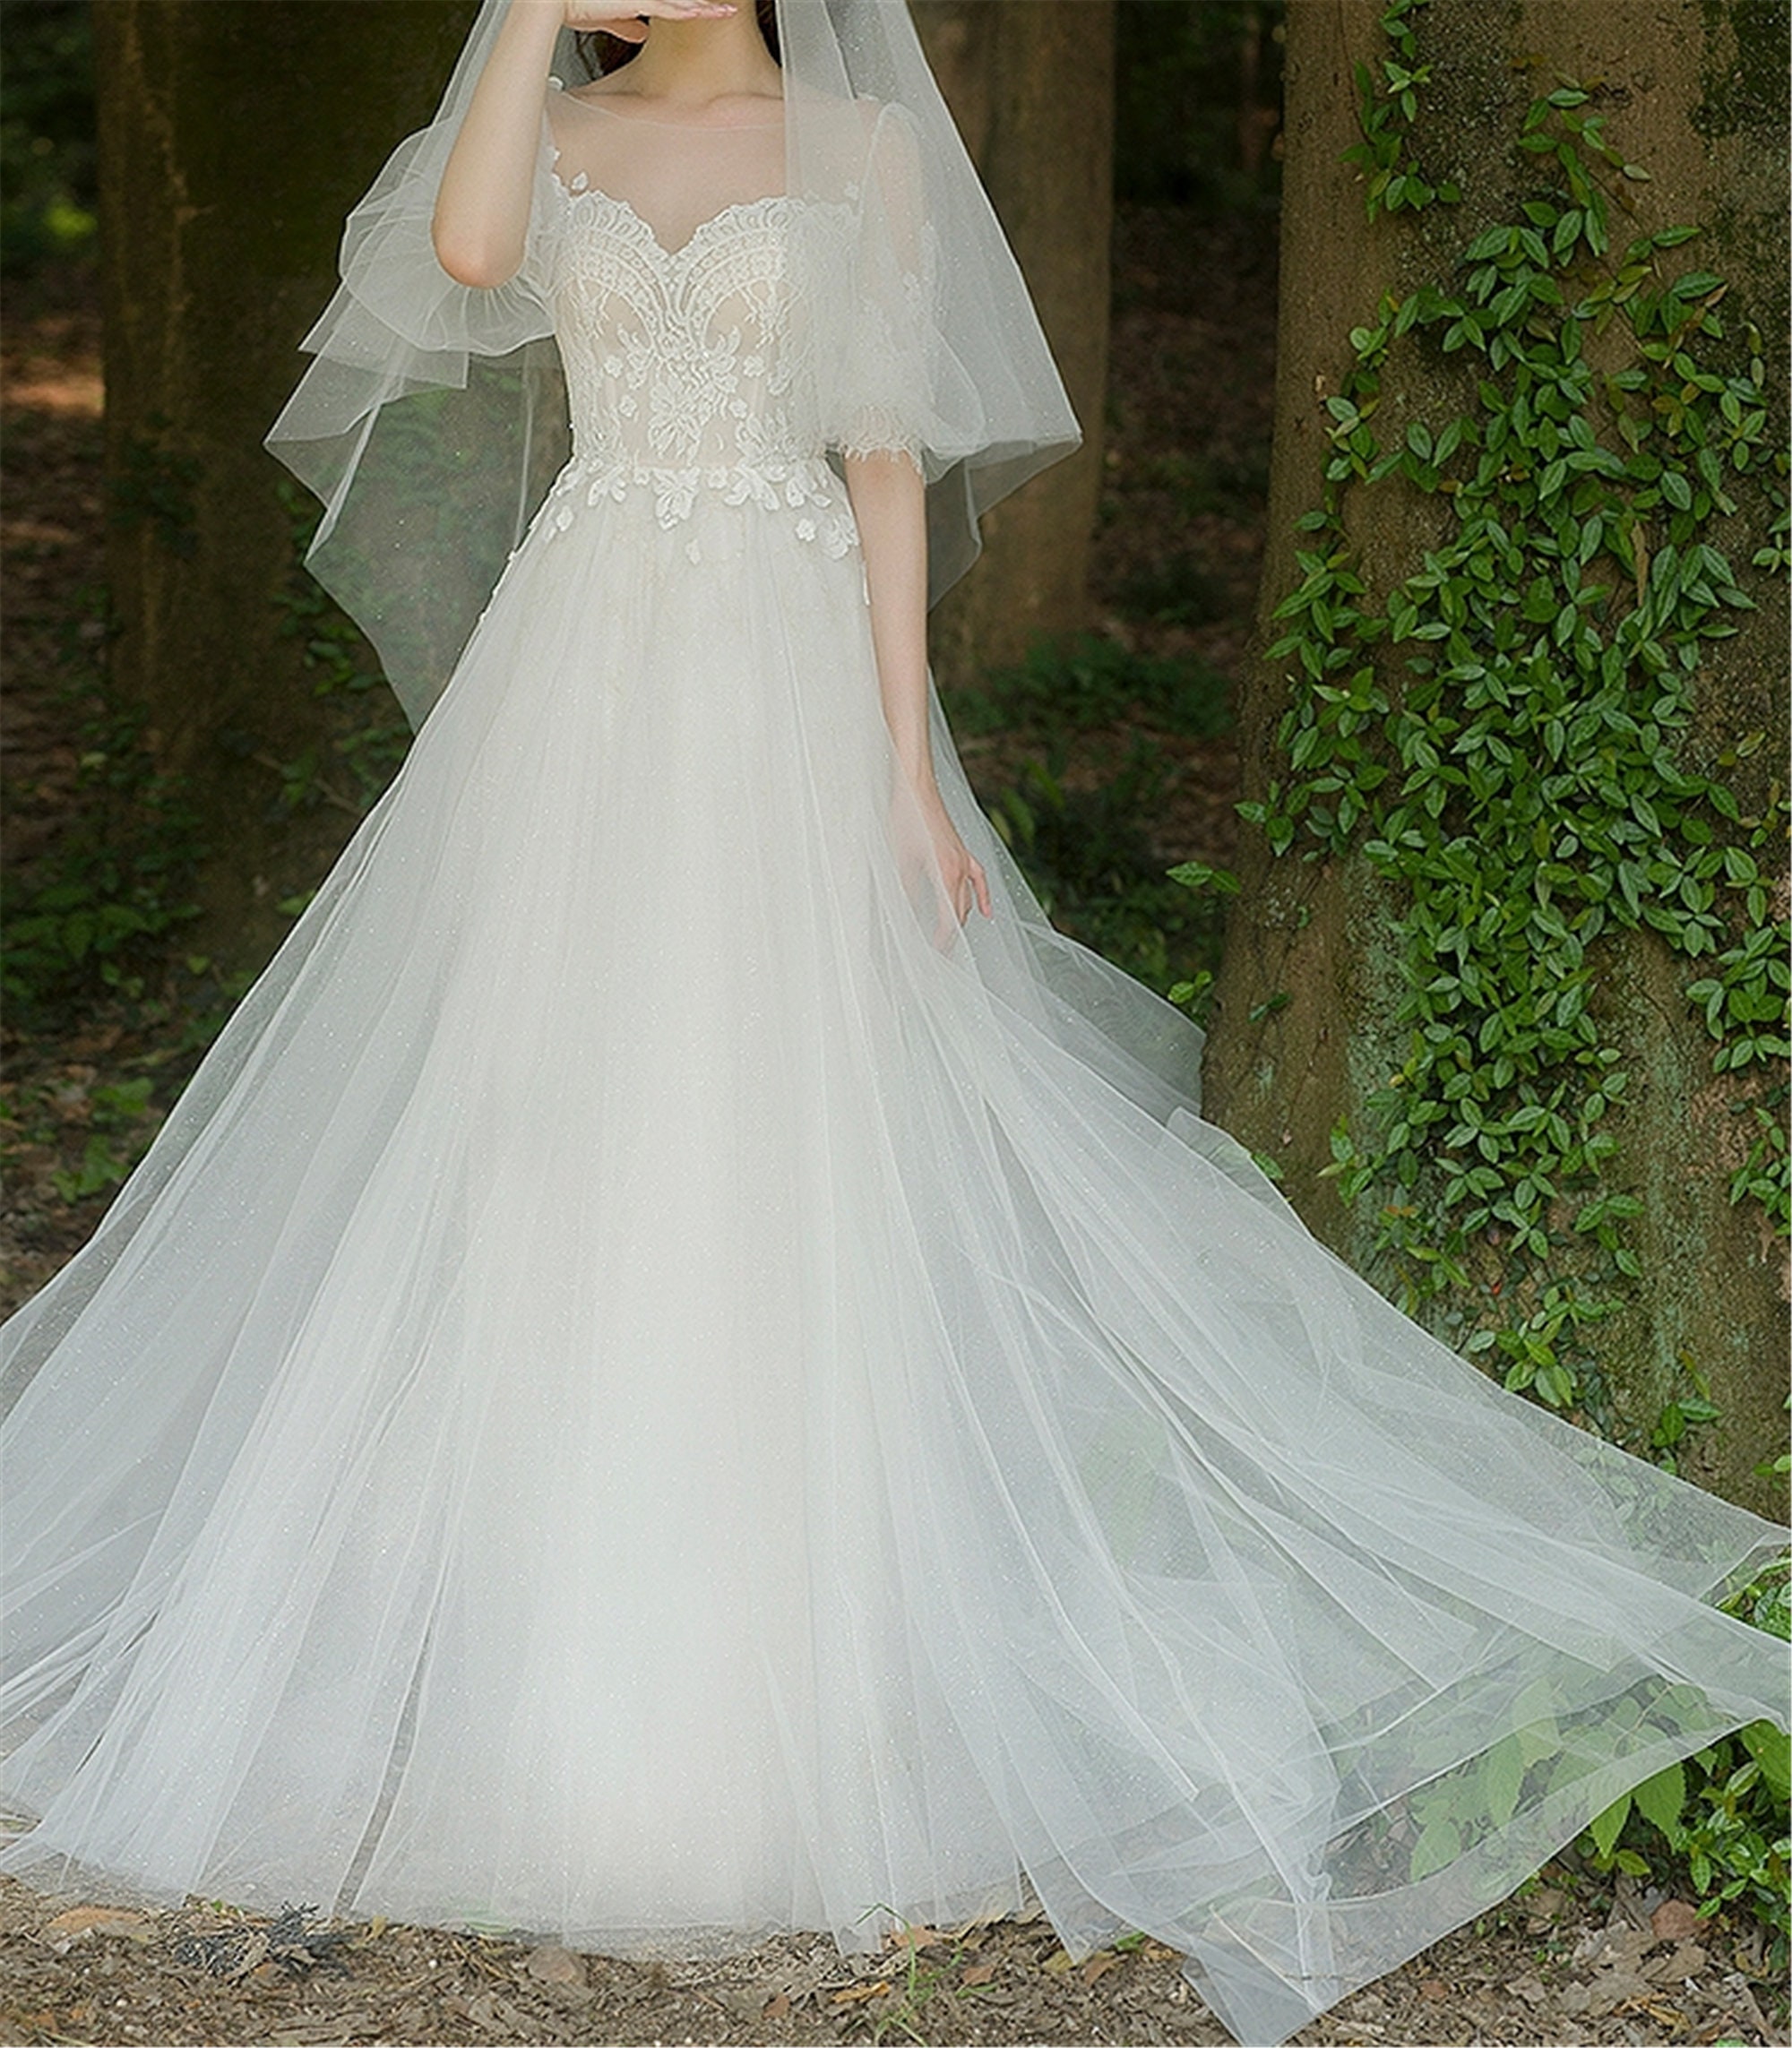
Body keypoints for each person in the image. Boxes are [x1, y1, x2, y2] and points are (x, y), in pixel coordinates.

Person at [0, 3, 1785, 2042]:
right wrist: (511, 18)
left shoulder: (857, 142)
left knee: (772, 1142)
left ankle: (778, 1708)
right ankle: (532, 1669)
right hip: (575, 672)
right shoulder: (554, 132)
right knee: (533, 1130)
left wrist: (905, 770)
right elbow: (470, 262)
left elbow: (876, 461)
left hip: (771, 667)